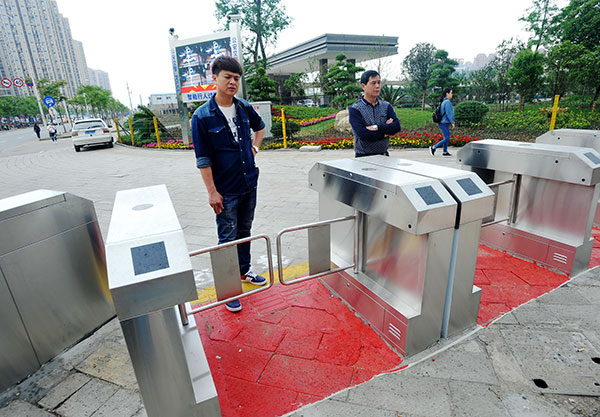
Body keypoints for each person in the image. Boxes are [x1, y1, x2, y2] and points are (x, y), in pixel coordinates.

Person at [191, 56, 266, 313]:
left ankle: (244, 271)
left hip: (249, 183)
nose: (233, 82)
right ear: (215, 78)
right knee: (227, 239)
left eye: (236, 78)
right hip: (225, 190)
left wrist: (254, 147)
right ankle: (227, 290)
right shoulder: (202, 117)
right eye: (227, 77)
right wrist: (212, 192)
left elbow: (261, 127)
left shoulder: (244, 108)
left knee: (245, 231)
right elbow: (203, 160)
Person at [348, 70, 401, 157]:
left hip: (384, 157)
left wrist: (376, 127)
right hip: (363, 158)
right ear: (363, 86)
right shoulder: (355, 109)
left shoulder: (386, 106)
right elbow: (363, 134)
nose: (377, 86)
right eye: (373, 83)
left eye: (379, 83)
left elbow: (396, 127)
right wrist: (385, 132)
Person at [429, 88, 455, 157]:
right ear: (447, 93)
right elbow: (449, 113)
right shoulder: (447, 102)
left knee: (446, 137)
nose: (452, 94)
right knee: (447, 138)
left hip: (442, 122)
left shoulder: (443, 101)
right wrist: (452, 122)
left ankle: (445, 151)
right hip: (444, 122)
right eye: (451, 93)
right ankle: (433, 147)